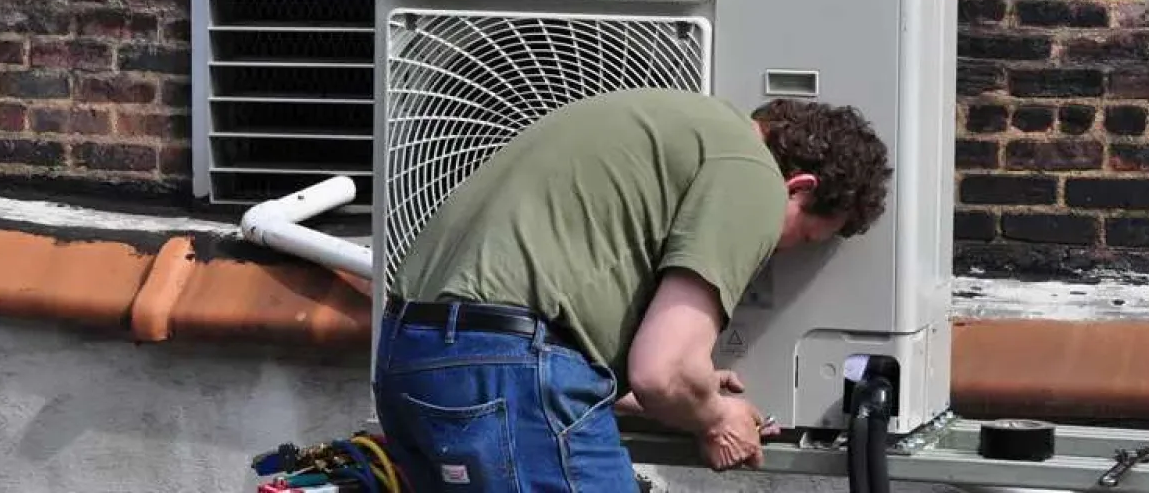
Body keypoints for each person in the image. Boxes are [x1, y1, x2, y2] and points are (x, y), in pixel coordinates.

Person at [372, 86, 892, 492]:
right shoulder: (752, 174)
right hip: (508, 372)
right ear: (800, 187)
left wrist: (687, 391)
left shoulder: (674, 120)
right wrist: (716, 417)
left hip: (409, 354)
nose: (779, 253)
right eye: (803, 237)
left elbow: (548, 292)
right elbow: (662, 372)